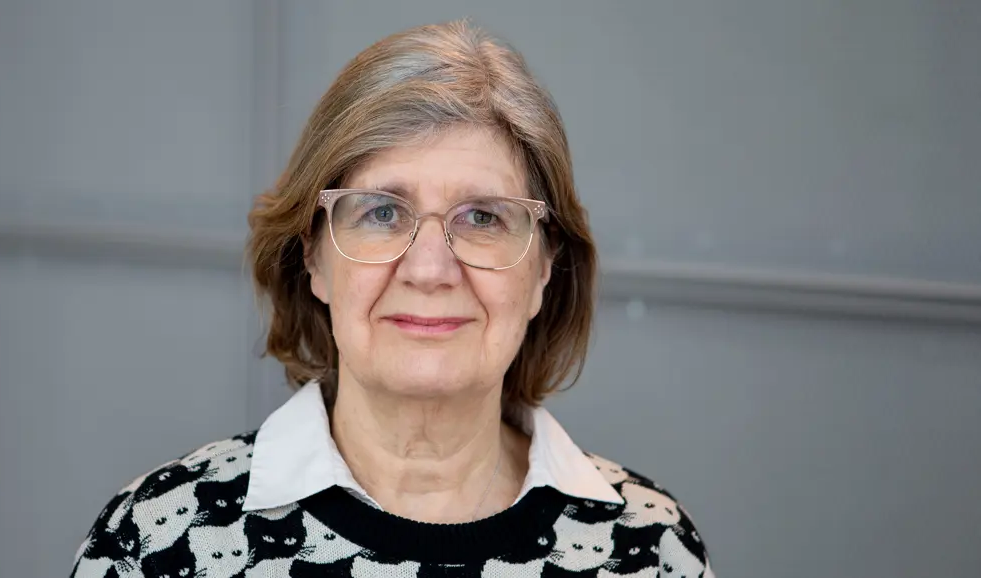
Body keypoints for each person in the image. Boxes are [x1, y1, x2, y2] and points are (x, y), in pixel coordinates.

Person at [72, 20, 714, 578]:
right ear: (313, 260)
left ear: (546, 268)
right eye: (381, 212)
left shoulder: (650, 550)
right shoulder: (156, 543)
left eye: (483, 217)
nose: (430, 269)